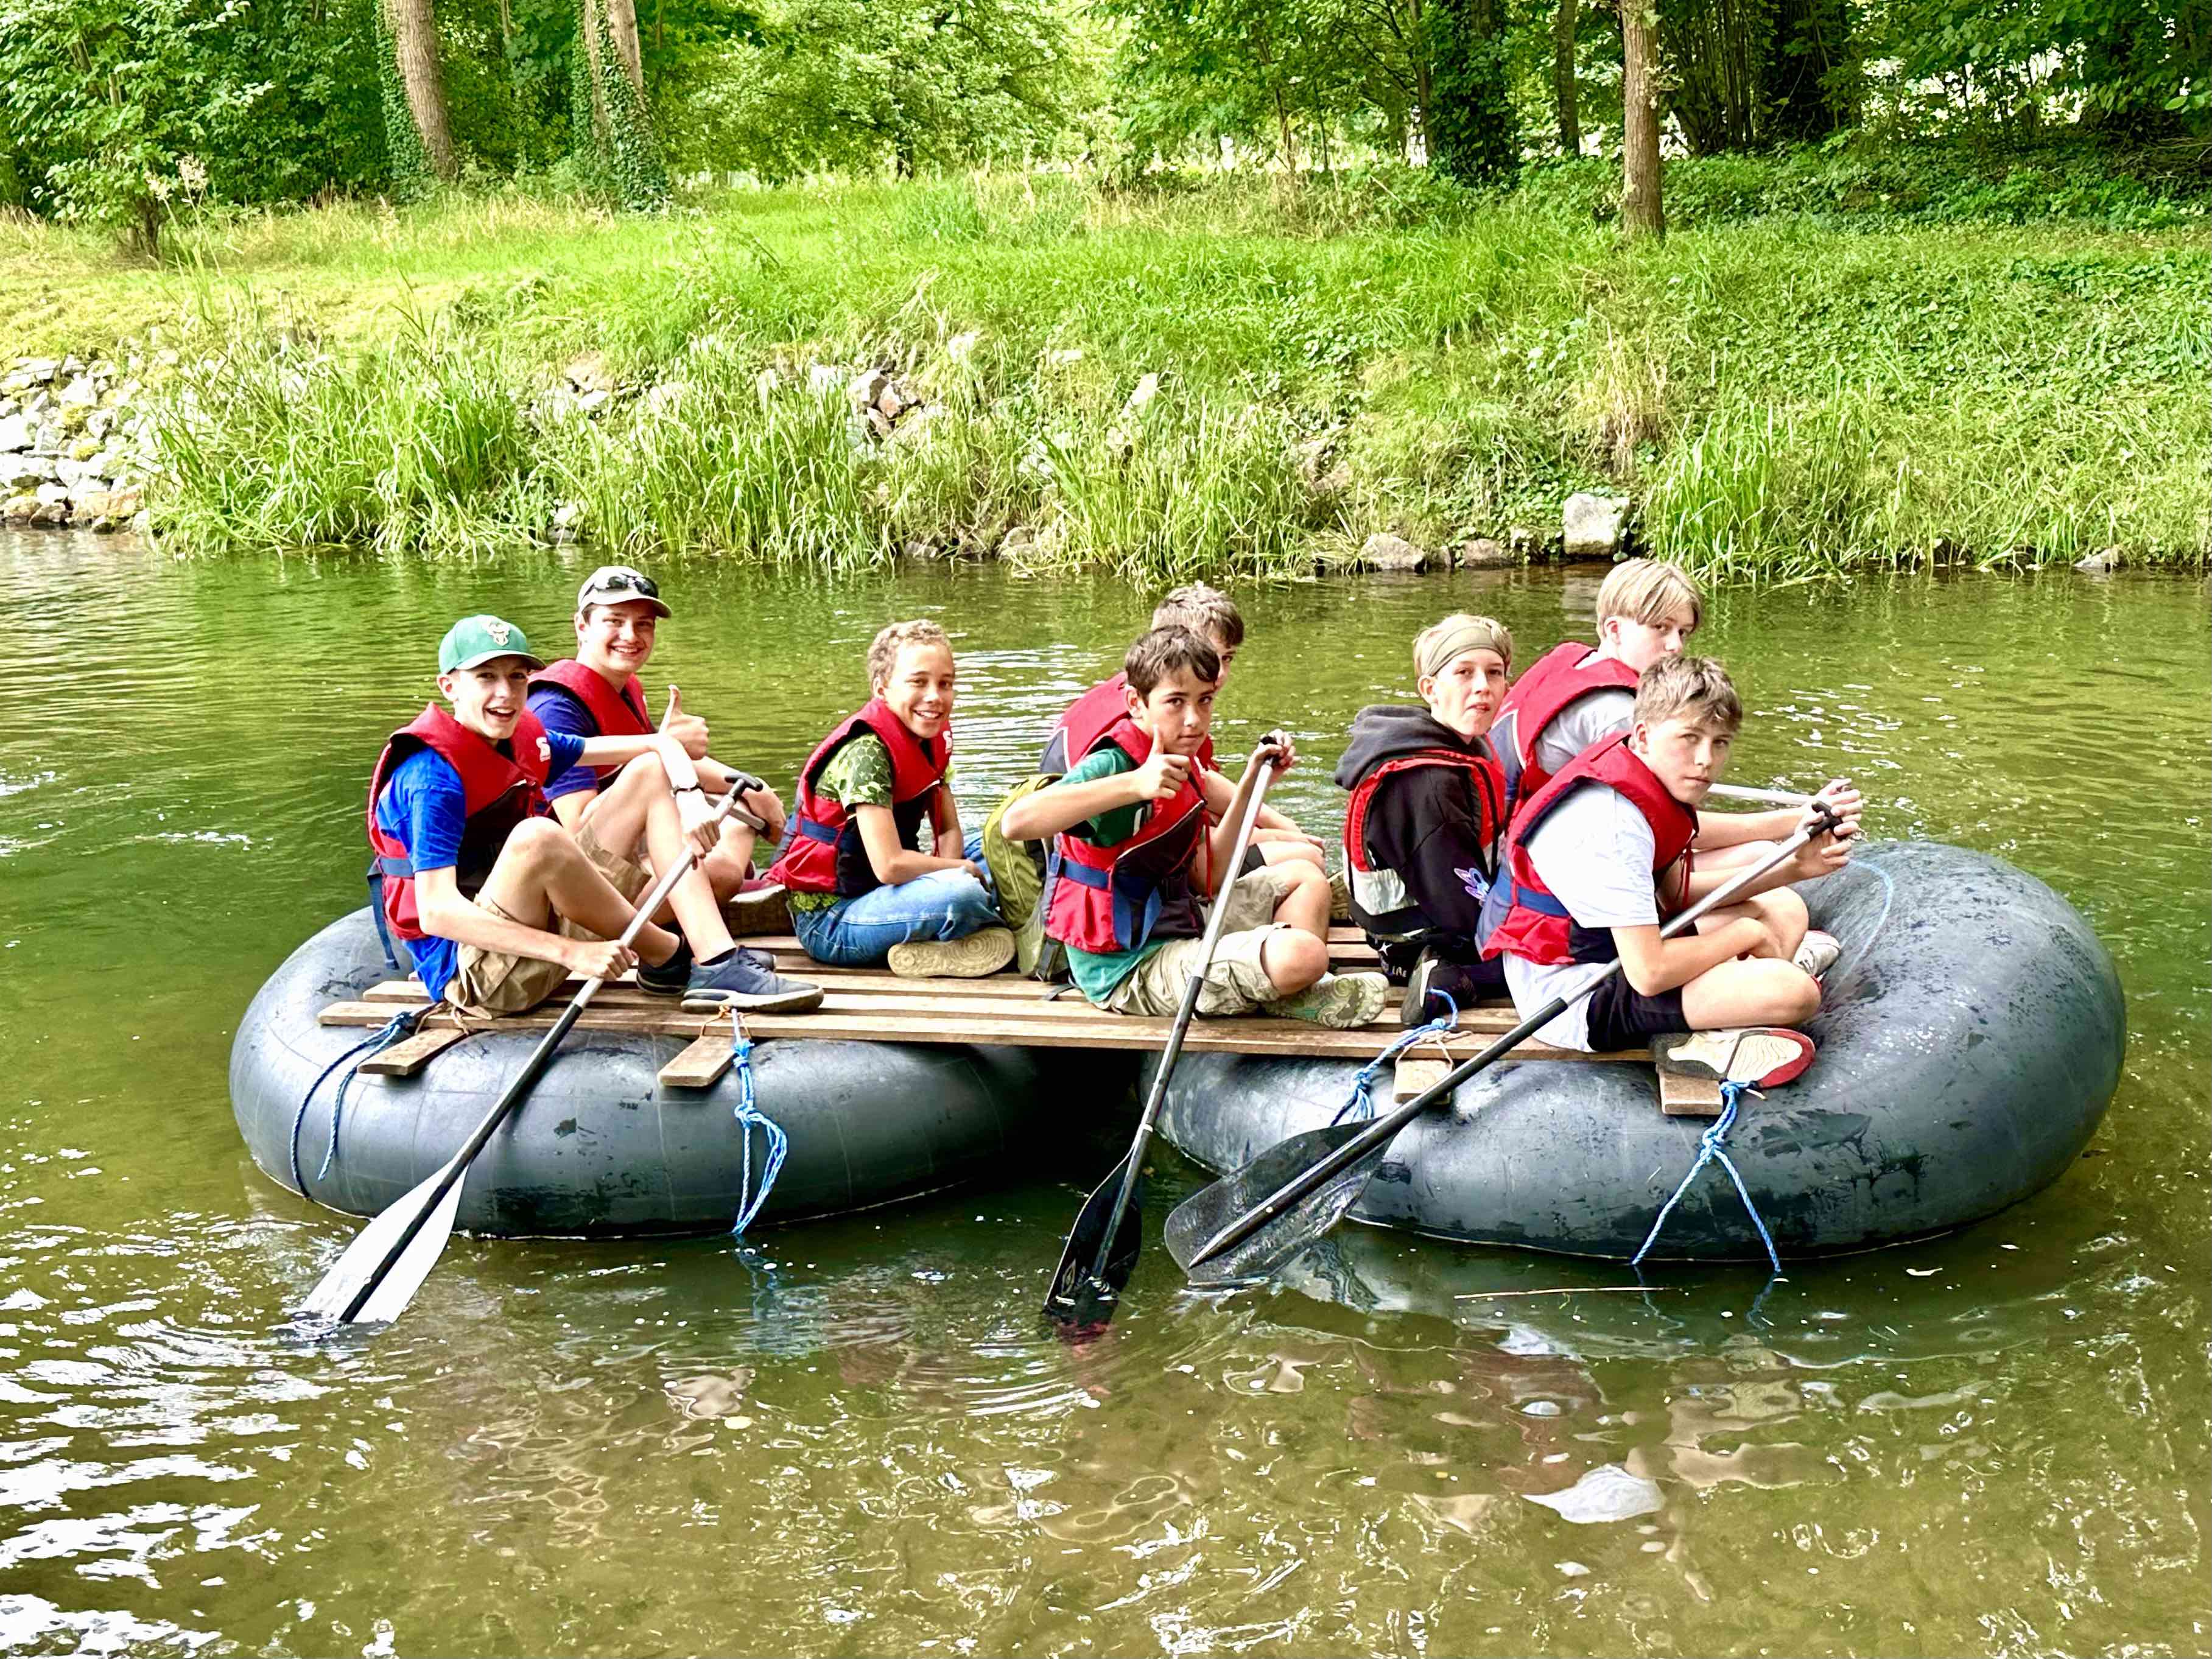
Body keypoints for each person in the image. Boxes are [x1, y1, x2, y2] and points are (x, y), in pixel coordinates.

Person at [367, 615, 824, 1017]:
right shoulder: (431, 778)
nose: (505, 694)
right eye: (485, 677)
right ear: (450, 686)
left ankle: (714, 961)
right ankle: (665, 953)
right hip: (474, 971)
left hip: (527, 921)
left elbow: (657, 748)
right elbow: (437, 913)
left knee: (647, 772)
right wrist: (572, 952)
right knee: (537, 836)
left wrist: (688, 794)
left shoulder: (524, 737)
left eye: (517, 677)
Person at [1000, 626, 1388, 1027]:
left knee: (1306, 878)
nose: (1193, 719)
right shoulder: (1113, 764)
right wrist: (1133, 784)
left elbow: (1214, 874)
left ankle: (1290, 990)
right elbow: (1017, 822)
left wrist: (1252, 786)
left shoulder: (1183, 759)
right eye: (1175, 702)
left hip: (1182, 920)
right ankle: (1290, 979)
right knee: (1303, 954)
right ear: (1137, 703)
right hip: (1129, 966)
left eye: (1204, 701)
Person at [1478, 655, 1861, 1059]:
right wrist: (1746, 934)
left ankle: (1729, 1012)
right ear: (1642, 736)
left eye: (1719, 743)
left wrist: (1797, 867)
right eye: (1689, 738)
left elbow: (1672, 893)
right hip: (1578, 991)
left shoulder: (1645, 775)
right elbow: (1649, 972)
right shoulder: (1611, 823)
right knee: (1794, 992)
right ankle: (1706, 1037)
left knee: (1784, 907)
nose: (1705, 760)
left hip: (1616, 948)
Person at [1494, 556, 1841, 972]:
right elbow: (1665, 825)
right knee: (1780, 904)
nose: (1675, 645)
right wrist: (1791, 822)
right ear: (1613, 629)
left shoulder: (1574, 660)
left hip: (1519, 858)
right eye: (1660, 628)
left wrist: (1784, 831)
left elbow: (1667, 818)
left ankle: (1764, 960)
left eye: (1682, 632)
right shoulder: (1615, 712)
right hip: (1558, 890)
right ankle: (1758, 973)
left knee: (1759, 854)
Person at [527, 565, 787, 923]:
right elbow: (578, 836)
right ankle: (723, 903)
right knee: (722, 872)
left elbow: (661, 760)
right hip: (576, 890)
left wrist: (755, 789)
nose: (630, 635)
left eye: (643, 624)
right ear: (582, 626)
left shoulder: (625, 688)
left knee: (741, 800)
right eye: (615, 621)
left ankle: (733, 894)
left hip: (630, 849)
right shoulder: (556, 708)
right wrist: (664, 745)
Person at [1041, 583, 1333, 889]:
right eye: (1208, 657)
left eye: (1227, 658)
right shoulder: (1143, 722)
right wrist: (1276, 833)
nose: (1217, 673)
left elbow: (1202, 782)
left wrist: (1282, 822)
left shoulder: (1159, 697)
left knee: (1291, 841)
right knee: (1306, 856)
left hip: (1145, 849)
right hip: (1117, 877)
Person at [767, 619, 1014, 975]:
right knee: (965, 894)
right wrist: (959, 873)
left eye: (945, 684)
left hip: (889, 892)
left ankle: (943, 938)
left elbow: (947, 832)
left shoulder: (931, 739)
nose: (935, 697)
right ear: (881, 689)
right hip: (835, 921)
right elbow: (890, 866)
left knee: (1004, 840)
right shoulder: (867, 753)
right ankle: (972, 923)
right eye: (918, 682)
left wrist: (956, 867)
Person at [1335, 614, 1513, 1023]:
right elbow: (1459, 905)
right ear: (1430, 689)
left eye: (1494, 673)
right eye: (1464, 673)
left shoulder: (1460, 744)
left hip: (1434, 915)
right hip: (1415, 940)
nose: (1482, 686)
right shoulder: (1427, 782)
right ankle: (1448, 979)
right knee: (1566, 953)